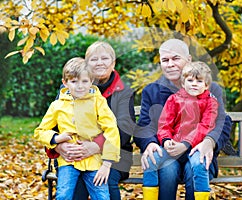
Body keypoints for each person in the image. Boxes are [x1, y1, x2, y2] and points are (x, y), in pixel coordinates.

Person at [134, 39, 232, 200]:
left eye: (176, 58)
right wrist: (150, 143)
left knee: (195, 167)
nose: (170, 64)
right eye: (165, 60)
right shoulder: (152, 91)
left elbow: (222, 121)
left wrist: (209, 141)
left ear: (189, 60)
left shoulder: (210, 88)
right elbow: (144, 125)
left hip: (197, 152)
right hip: (167, 153)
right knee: (167, 169)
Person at [45, 41, 136, 200]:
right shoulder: (69, 88)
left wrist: (96, 146)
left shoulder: (123, 91)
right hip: (73, 153)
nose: (99, 63)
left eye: (105, 58)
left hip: (114, 155)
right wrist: (59, 146)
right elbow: (53, 124)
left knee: (105, 182)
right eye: (94, 59)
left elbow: (124, 129)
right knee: (73, 191)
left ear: (113, 63)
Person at [34, 57, 120, 200]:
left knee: (102, 196)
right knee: (63, 195)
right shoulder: (58, 105)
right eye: (74, 81)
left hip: (94, 161)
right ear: (65, 83)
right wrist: (56, 138)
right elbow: (40, 131)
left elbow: (111, 130)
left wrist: (106, 164)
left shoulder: (98, 102)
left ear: (91, 81)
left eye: (85, 81)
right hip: (68, 161)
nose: (80, 86)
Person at [143, 61, 219, 199]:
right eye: (190, 80)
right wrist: (166, 140)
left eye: (199, 81)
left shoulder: (211, 102)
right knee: (151, 159)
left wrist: (186, 144)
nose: (194, 84)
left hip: (195, 147)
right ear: (183, 83)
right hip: (173, 147)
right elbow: (164, 123)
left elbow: (205, 126)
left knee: (199, 164)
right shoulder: (174, 99)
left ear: (206, 85)